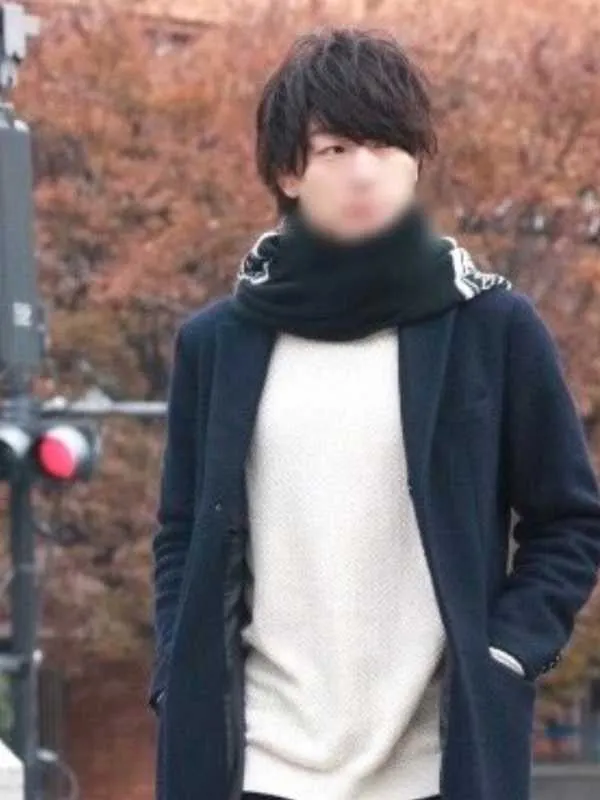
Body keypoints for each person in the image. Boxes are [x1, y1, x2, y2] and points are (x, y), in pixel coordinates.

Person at [148, 26, 600, 800]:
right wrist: (176, 670)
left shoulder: (489, 329)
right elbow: (182, 535)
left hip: (433, 768)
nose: (364, 171)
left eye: (386, 146)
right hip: (258, 762)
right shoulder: (218, 344)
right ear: (289, 172)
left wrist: (507, 653)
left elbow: (569, 520)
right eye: (335, 149)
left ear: (416, 161)